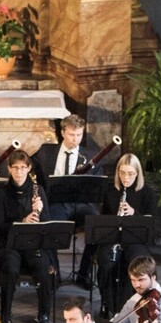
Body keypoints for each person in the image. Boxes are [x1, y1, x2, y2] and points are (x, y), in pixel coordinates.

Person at [0, 149, 57, 323]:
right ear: (9, 169)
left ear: (29, 168)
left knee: (42, 267)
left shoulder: (37, 190)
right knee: (10, 267)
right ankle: (6, 315)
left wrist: (40, 210)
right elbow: (0, 225)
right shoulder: (3, 193)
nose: (19, 172)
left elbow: (47, 224)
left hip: (33, 242)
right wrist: (21, 222)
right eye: (15, 168)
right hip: (10, 243)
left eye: (23, 168)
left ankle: (44, 314)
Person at [31, 114, 102, 287]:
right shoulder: (46, 151)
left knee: (98, 226)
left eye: (79, 135)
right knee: (48, 227)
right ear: (63, 132)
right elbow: (31, 167)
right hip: (56, 202)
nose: (75, 139)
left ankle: (84, 273)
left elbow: (97, 185)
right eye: (71, 135)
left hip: (82, 203)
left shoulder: (92, 156)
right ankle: (54, 273)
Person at [94, 152, 160, 312]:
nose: (126, 178)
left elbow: (151, 227)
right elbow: (103, 222)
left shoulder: (147, 194)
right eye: (122, 173)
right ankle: (107, 303)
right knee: (106, 261)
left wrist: (133, 213)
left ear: (137, 174)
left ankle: (139, 304)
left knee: (136, 263)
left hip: (136, 239)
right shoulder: (110, 192)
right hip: (113, 238)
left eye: (130, 174)